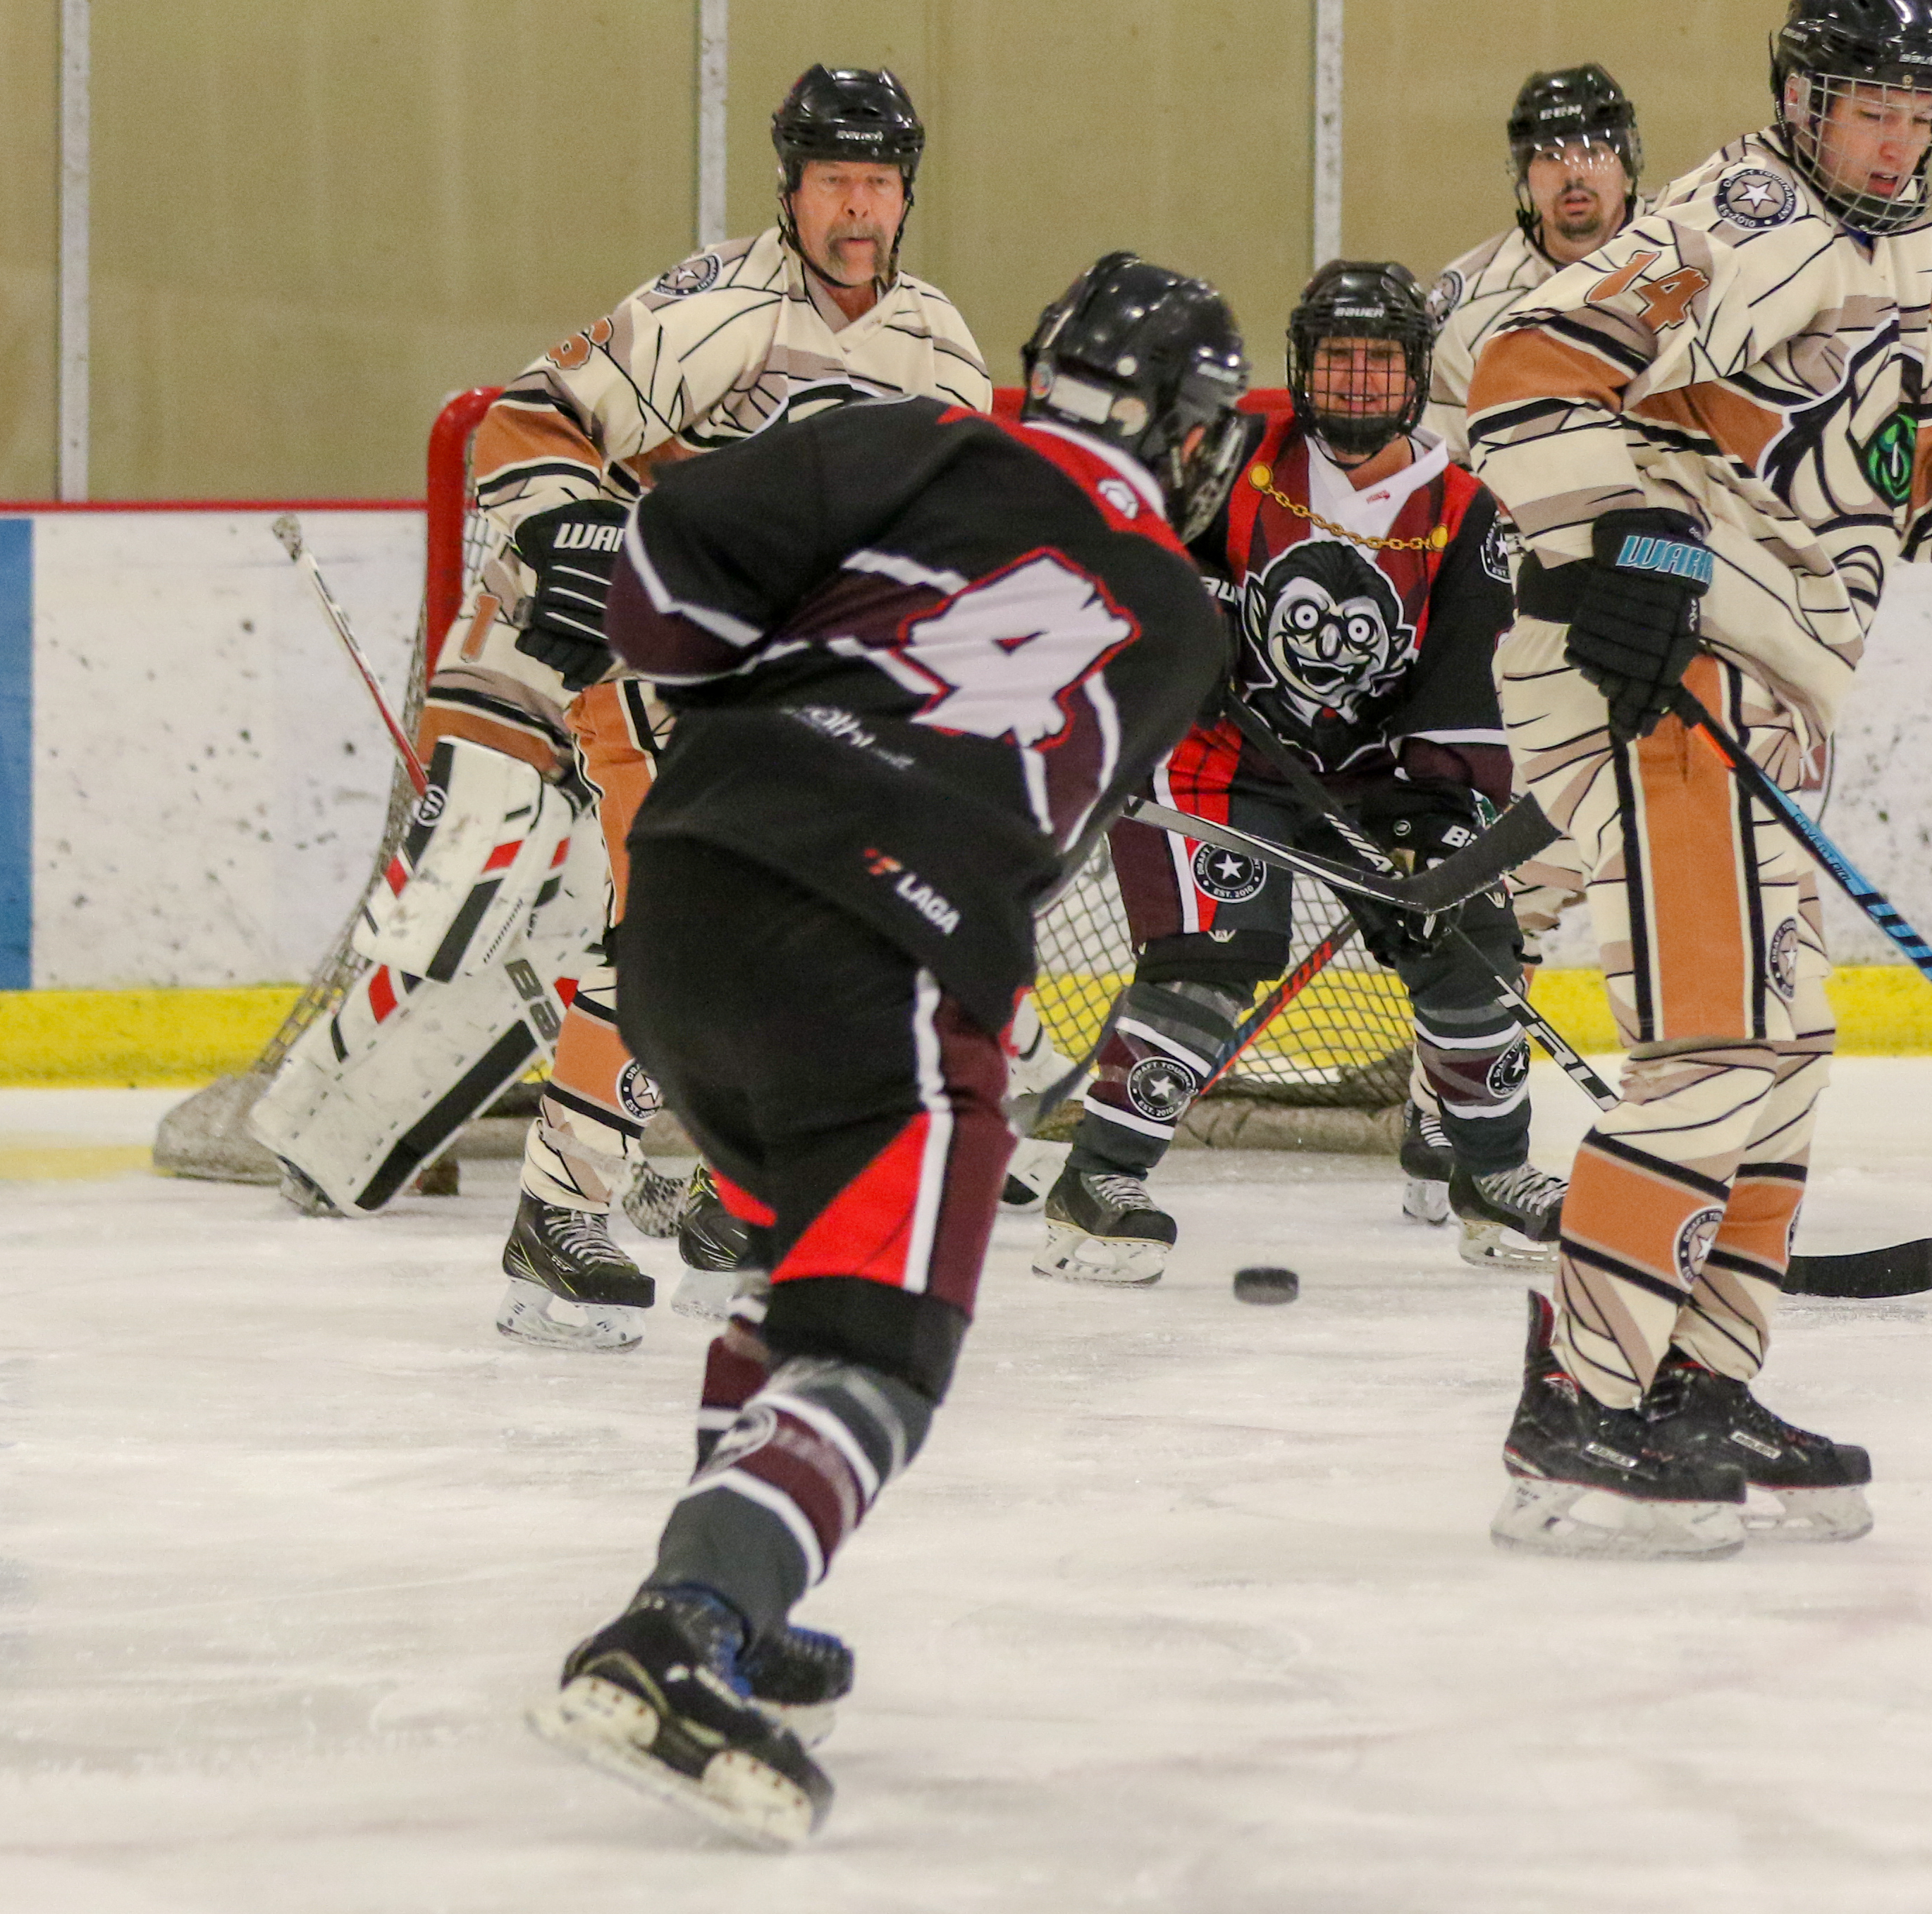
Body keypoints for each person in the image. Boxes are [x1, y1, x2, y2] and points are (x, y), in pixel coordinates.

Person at [527, 254, 1249, 1848]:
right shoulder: (1184, 620)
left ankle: (731, 1574)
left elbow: (670, 582)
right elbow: (1049, 804)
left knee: (798, 1270)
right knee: (876, 1345)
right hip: (887, 959)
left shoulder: (913, 435)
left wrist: (776, 677)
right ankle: (679, 1626)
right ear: (1191, 437)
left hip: (690, 899)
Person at [1464, 0, 1932, 1558]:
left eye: (1920, 114)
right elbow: (1517, 368)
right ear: (1799, 102)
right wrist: (1626, 547)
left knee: (1780, 1047)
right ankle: (1577, 1412)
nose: (1896, 138)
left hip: (1766, 690)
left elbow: (1925, 489)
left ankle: (1696, 1388)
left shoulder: (1887, 275)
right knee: (1715, 1041)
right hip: (1660, 679)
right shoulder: (1744, 217)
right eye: (1869, 108)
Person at [247, 67, 995, 1353]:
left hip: (784, 685)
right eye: (833, 181)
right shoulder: (714, 308)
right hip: (649, 652)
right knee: (673, 927)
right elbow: (521, 421)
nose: (856, 207)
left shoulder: (939, 345)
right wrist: (580, 533)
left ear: (907, 192)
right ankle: (560, 1217)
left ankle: (726, 1205)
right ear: (791, 190)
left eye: (877, 181)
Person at [1037, 260, 1565, 1284]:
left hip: (1382, 773)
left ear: (1415, 375)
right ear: (1303, 366)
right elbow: (1136, 555)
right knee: (1215, 954)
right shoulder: (1237, 455)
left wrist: (1438, 820)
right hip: (1220, 754)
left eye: (1380, 362)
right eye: (1338, 360)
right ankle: (1097, 1181)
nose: (1358, 382)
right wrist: (1179, 647)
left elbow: (1463, 683)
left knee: (1470, 937)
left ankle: (1491, 1174)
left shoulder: (1464, 506)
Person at [1421, 66, 1647, 458]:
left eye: (1594, 152)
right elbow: (1444, 455)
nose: (1574, 174)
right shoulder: (1472, 297)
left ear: (1626, 166)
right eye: (1551, 157)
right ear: (1524, 175)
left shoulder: (1691, 258)